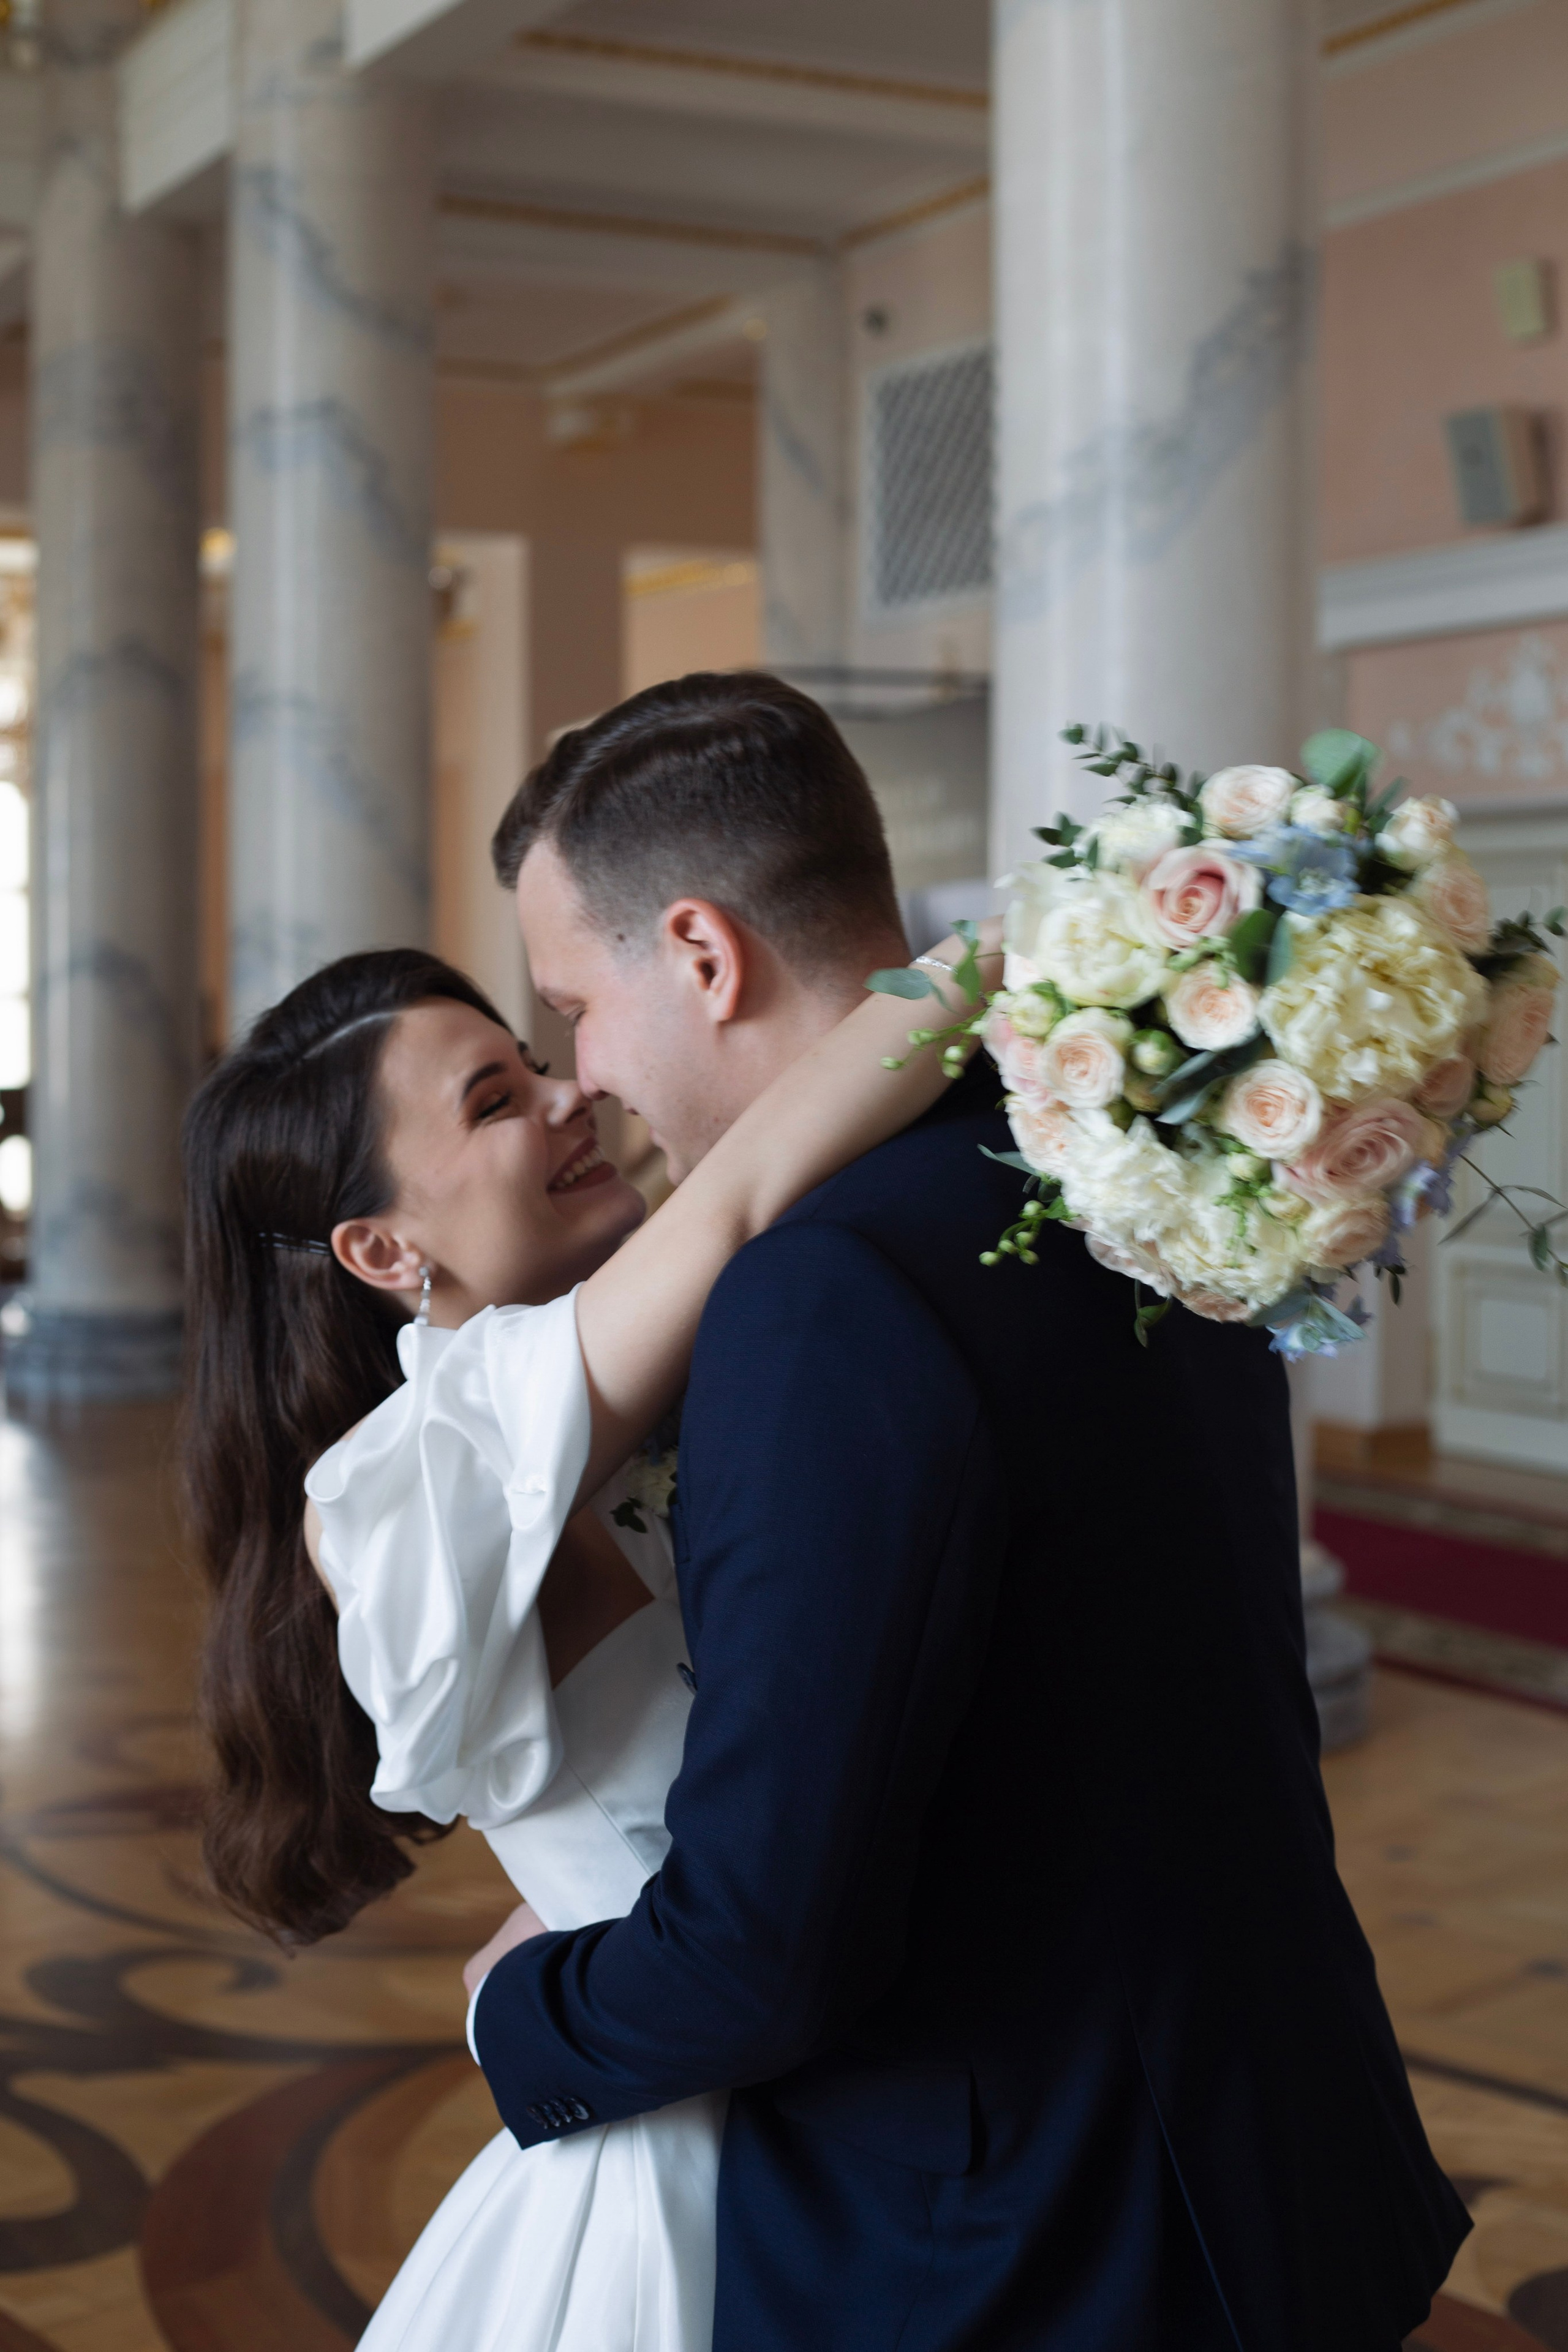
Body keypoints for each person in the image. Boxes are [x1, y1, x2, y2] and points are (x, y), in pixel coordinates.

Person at [463, 671, 1470, 2352]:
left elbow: (765, 1953)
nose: (584, 1070)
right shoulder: (1117, 1170)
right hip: (1285, 2157)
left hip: (1029, 2248)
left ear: (704, 956)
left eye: (573, 1003)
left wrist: (521, 2011)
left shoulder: (824, 1290)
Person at [183, 883, 992, 2345]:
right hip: (684, 2124)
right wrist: (1034, 957)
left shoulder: (647, 1357)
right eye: (498, 1099)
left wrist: (563, 1904)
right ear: (381, 1251)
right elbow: (744, 1186)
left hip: (847, 2054)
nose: (571, 1095)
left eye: (538, 1058)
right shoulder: (418, 1474)